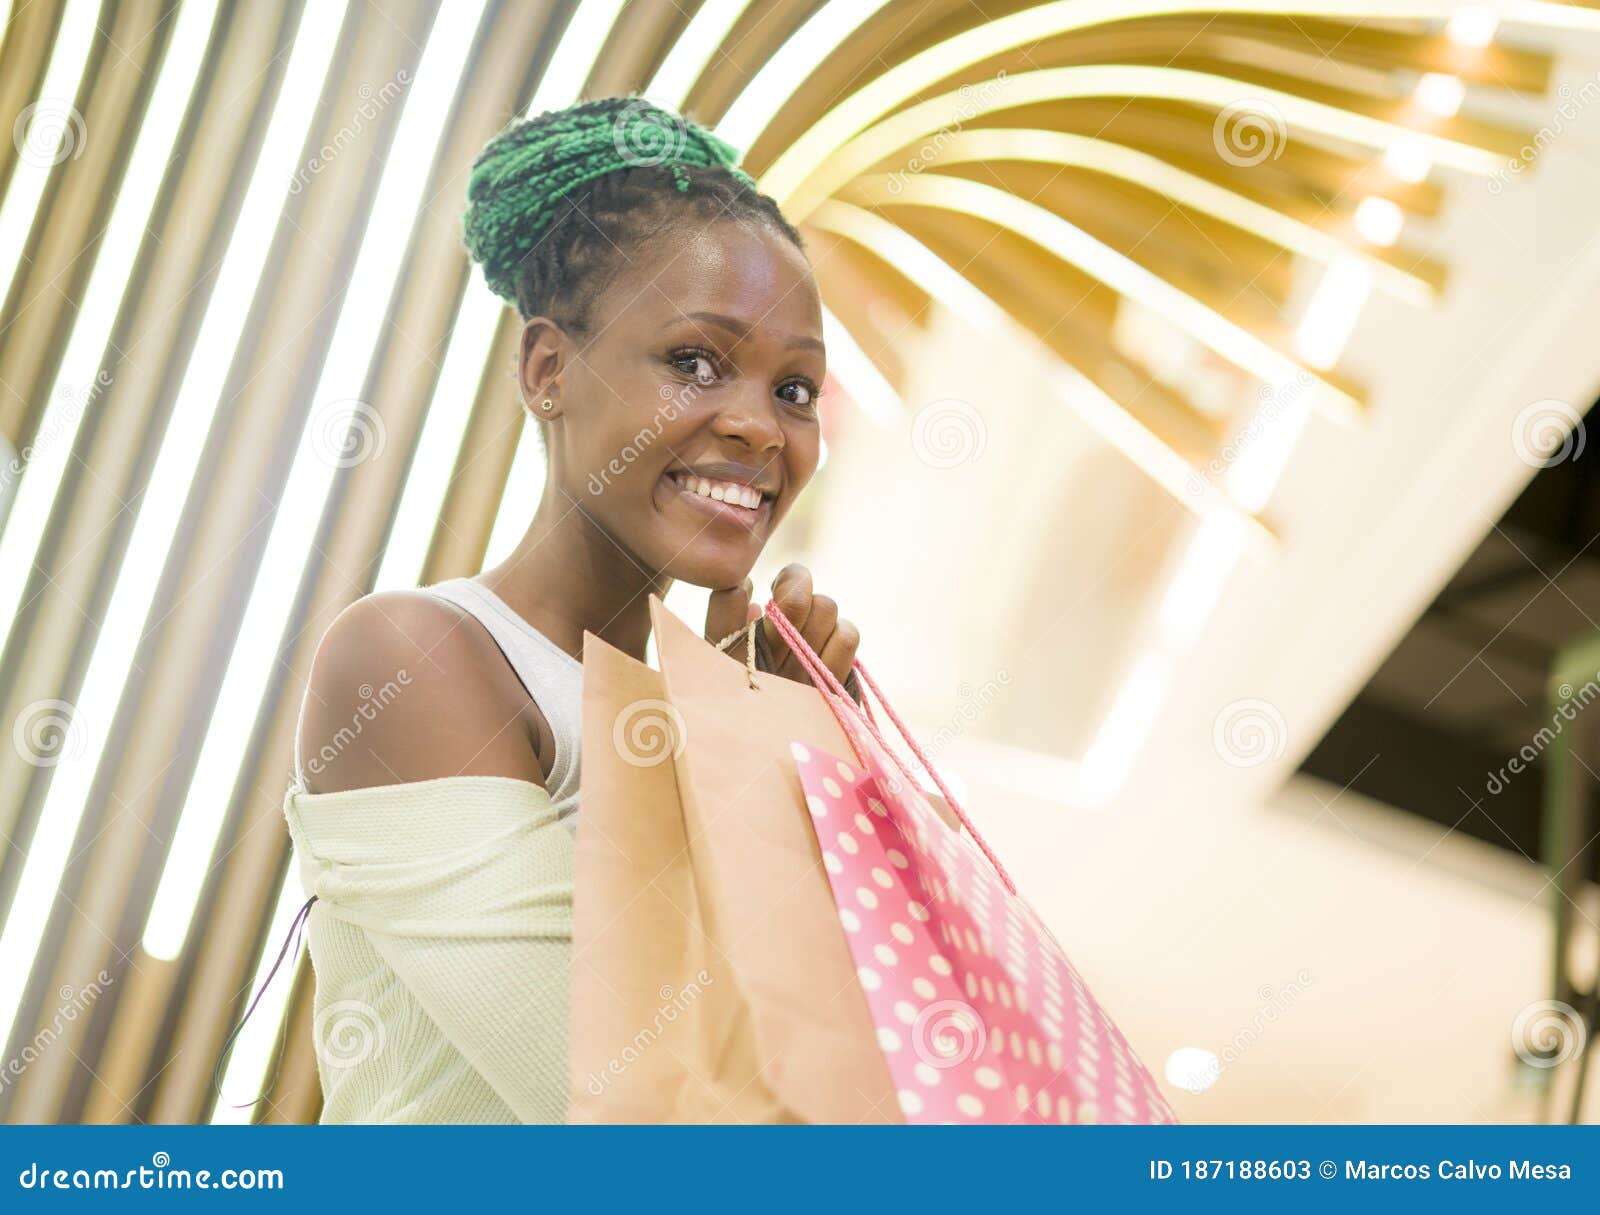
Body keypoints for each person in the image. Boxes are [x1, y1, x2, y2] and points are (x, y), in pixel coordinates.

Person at [282, 97, 862, 1123]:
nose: (758, 427)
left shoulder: (714, 708)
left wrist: (774, 746)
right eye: (695, 361)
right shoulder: (416, 657)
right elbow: (622, 1113)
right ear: (549, 369)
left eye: (796, 390)